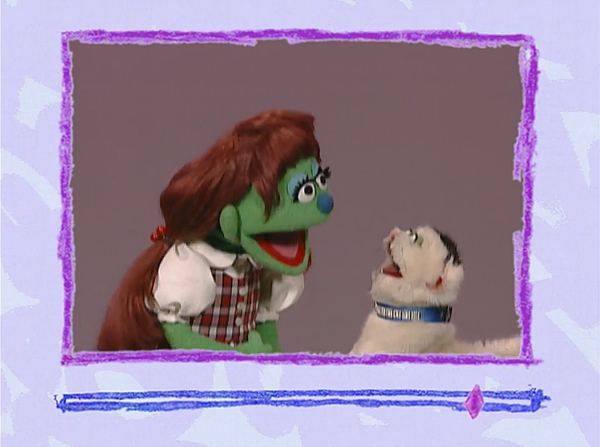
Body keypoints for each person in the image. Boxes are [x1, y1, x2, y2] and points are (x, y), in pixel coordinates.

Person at [96, 110, 334, 353]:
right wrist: (236, 357)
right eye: (304, 191)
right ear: (229, 216)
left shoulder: (253, 266)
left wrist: (275, 362)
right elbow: (179, 336)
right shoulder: (191, 265)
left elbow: (264, 321)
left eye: (320, 181)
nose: (326, 202)